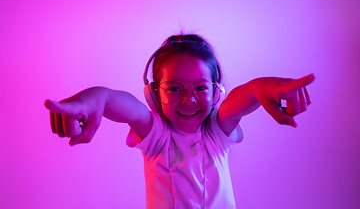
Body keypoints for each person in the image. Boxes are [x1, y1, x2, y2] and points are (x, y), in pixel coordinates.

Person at [45, 34, 315, 209]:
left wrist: (262, 88)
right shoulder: (157, 136)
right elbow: (126, 107)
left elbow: (241, 97)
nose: (188, 100)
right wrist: (97, 98)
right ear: (153, 94)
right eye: (174, 88)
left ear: (215, 92)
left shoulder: (215, 133)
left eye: (200, 88)